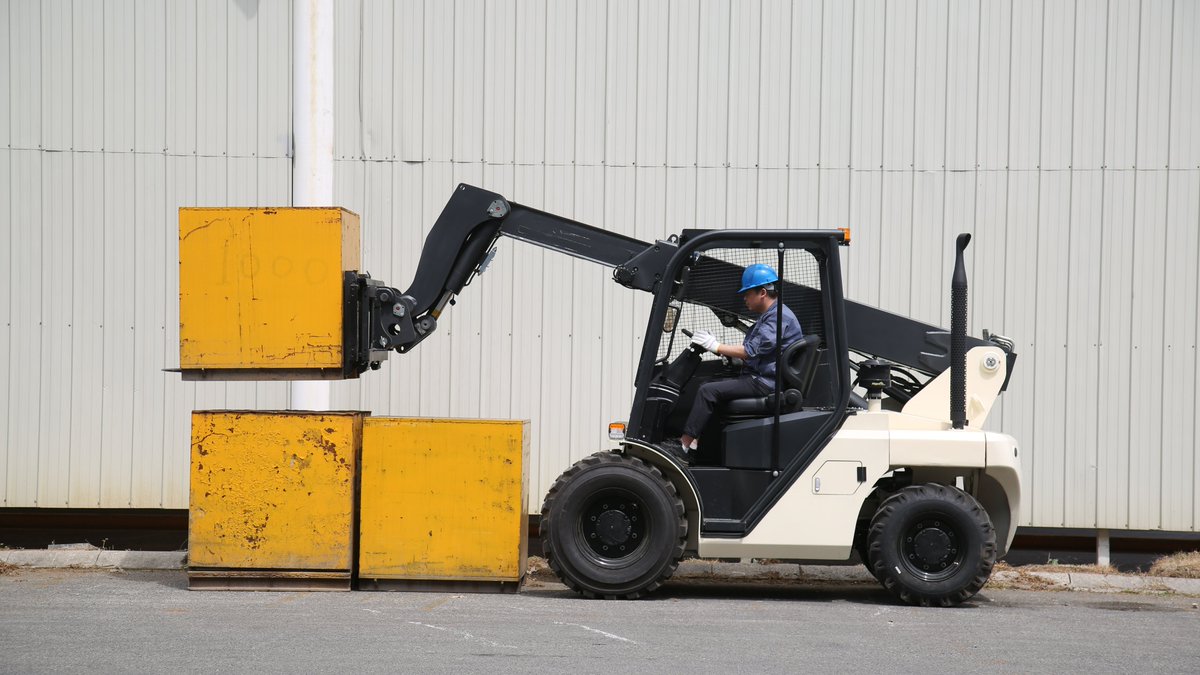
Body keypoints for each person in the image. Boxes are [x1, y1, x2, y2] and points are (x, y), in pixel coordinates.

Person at [676, 264, 803, 459]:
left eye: (747, 293)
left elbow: (751, 351)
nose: (744, 298)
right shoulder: (771, 315)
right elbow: (757, 350)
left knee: (707, 390)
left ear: (762, 292)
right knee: (710, 383)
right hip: (763, 376)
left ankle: (684, 445)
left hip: (765, 382)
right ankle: (698, 445)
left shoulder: (777, 317)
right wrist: (720, 349)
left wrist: (716, 346)